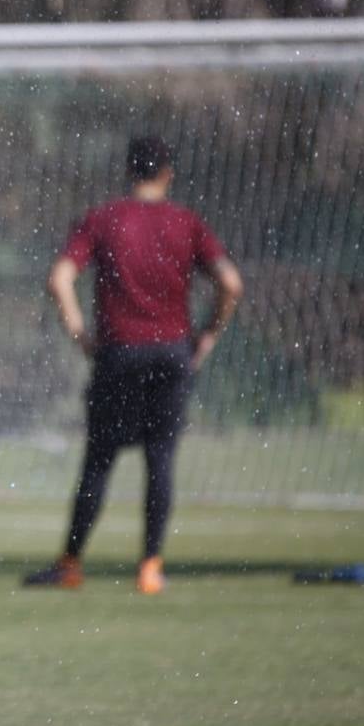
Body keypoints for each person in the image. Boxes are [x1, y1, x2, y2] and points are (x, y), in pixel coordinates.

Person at [25, 136, 242, 595]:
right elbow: (231, 283)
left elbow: (60, 278)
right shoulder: (186, 223)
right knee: (160, 457)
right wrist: (208, 334)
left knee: (99, 460)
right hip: (172, 354)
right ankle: (150, 567)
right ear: (167, 173)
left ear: (129, 171)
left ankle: (70, 563)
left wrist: (81, 334)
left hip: (119, 353)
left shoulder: (104, 220)